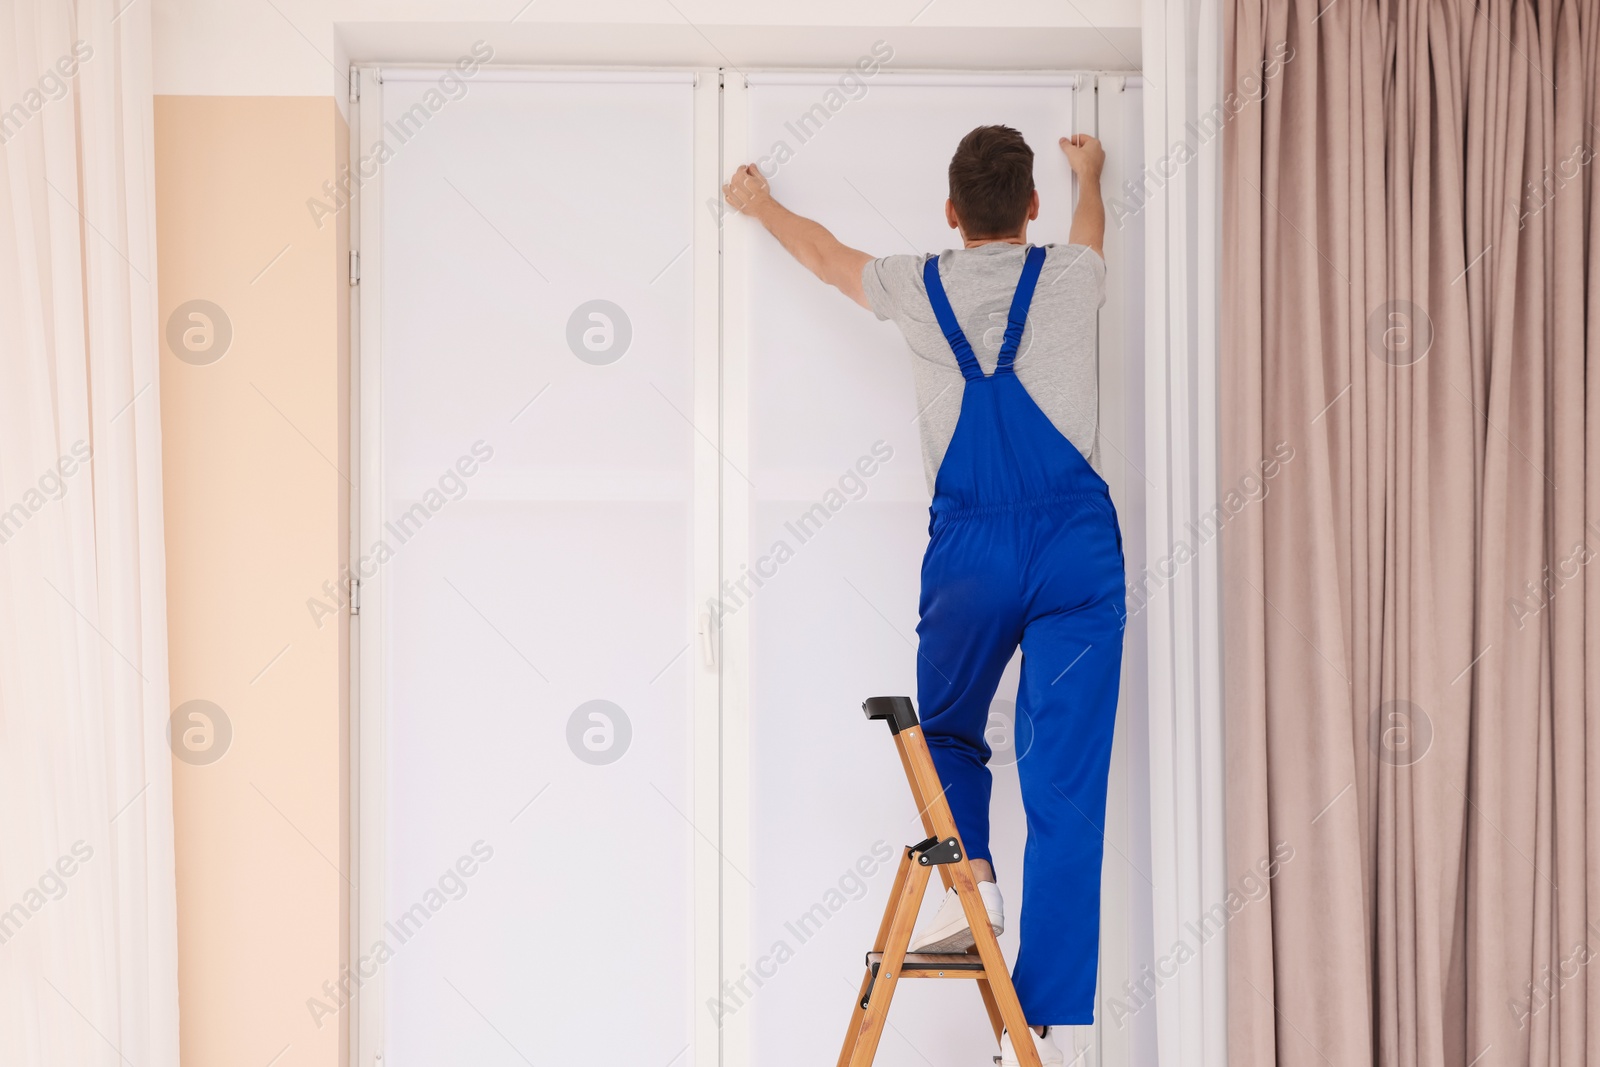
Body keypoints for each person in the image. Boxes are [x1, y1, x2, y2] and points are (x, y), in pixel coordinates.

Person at [723, 126, 1125, 1066]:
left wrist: (759, 203)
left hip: (970, 551)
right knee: (1068, 780)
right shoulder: (1069, 274)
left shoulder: (917, 283)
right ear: (1032, 210)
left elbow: (824, 257)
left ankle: (971, 869)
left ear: (952, 214)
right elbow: (1095, 230)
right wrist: (1091, 176)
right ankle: (1038, 1017)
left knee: (944, 729)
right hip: (1075, 552)